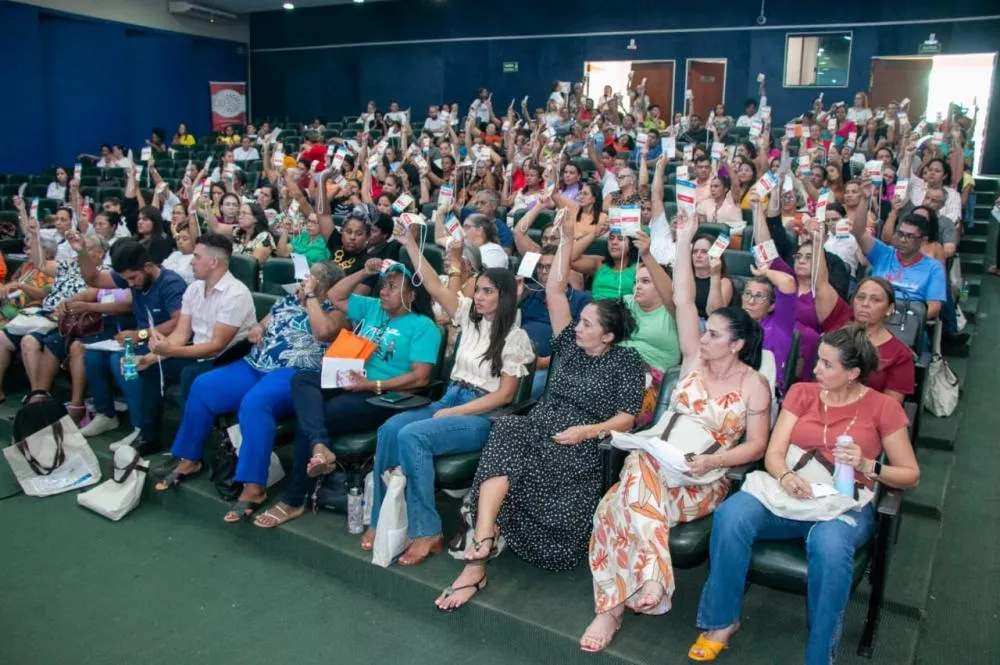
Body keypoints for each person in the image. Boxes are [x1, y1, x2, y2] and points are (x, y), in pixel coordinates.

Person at [580, 212, 771, 653]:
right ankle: (645, 584)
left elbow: (757, 445)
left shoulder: (753, 385)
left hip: (703, 477)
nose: (704, 338)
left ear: (738, 344)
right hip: (659, 461)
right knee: (632, 478)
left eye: (715, 335)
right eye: (706, 333)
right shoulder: (692, 361)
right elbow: (684, 301)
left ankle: (612, 610)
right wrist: (683, 241)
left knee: (616, 506)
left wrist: (711, 461)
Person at [435, 214, 645, 611]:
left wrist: (588, 430)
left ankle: (485, 539)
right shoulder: (568, 344)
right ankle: (479, 550)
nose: (577, 328)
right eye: (579, 323)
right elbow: (556, 291)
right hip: (544, 423)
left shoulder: (626, 363)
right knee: (511, 430)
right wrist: (565, 240)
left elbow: (627, 418)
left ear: (609, 335)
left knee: (551, 539)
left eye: (586, 325)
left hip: (583, 441)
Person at [688, 325, 919, 664]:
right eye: (818, 361)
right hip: (792, 492)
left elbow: (910, 475)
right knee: (731, 515)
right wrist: (784, 476)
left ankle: (819, 655)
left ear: (853, 373)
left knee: (829, 546)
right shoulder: (801, 393)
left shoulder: (882, 408)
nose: (815, 369)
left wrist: (870, 465)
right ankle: (722, 621)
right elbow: (774, 453)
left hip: (844, 503)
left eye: (827, 365)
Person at [362, 224, 533, 567]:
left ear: (504, 296)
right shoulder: (469, 318)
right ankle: (381, 519)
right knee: (390, 430)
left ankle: (428, 531)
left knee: (413, 436)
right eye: (479, 290)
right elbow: (433, 284)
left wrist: (457, 413)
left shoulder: (515, 339)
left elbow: (504, 397)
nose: (479, 296)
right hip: (451, 398)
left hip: (481, 414)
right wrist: (410, 242)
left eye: (487, 291)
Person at [253, 258, 442, 529]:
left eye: (392, 287)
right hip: (350, 377)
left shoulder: (423, 327)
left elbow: (420, 377)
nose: (384, 292)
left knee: (322, 414)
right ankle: (320, 447)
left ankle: (294, 499)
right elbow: (334, 295)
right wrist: (365, 270)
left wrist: (370, 386)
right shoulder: (373, 307)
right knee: (302, 379)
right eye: (383, 286)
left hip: (384, 395)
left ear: (411, 295)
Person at [155, 262, 345, 520]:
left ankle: (254, 485)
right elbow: (264, 322)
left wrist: (312, 296)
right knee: (203, 386)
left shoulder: (336, 310)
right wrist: (259, 328)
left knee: (256, 402)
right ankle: (189, 457)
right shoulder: (290, 299)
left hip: (293, 374)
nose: (304, 282)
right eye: (306, 278)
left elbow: (323, 332)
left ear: (325, 287)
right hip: (255, 364)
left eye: (311, 279)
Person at [87, 233, 255, 453]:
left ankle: (191, 449)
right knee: (151, 368)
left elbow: (217, 345)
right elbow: (180, 335)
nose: (191, 261)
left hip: (229, 359)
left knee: (190, 375)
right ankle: (149, 438)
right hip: (197, 353)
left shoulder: (236, 294)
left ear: (213, 262)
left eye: (196, 256)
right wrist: (150, 357)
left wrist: (170, 349)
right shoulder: (194, 289)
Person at [75, 239, 189, 449]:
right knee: (92, 356)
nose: (129, 284)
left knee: (123, 361)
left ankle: (140, 428)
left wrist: (140, 334)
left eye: (132, 278)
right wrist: (82, 251)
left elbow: (178, 322)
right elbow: (93, 278)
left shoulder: (171, 283)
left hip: (166, 345)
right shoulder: (133, 275)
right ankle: (106, 414)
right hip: (141, 341)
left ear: (146, 267)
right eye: (125, 279)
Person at [18, 235, 124, 422]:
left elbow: (93, 292)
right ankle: (39, 396)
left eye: (88, 248)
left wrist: (72, 304)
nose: (81, 252)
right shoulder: (70, 265)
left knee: (75, 346)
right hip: (60, 317)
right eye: (81, 249)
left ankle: (77, 405)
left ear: (100, 254)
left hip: (95, 321)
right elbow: (40, 264)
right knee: (48, 341)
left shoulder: (107, 272)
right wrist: (33, 232)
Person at [518, 246, 590, 399]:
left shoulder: (581, 300)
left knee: (527, 390)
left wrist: (543, 362)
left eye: (549, 267)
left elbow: (580, 346)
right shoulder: (529, 294)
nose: (543, 271)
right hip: (515, 360)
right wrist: (517, 299)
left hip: (549, 366)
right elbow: (509, 328)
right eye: (540, 267)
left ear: (563, 270)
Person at [572, 225, 637, 301]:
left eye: (620, 238)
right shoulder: (599, 263)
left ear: (631, 244)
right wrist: (593, 234)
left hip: (621, 311)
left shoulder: (638, 267)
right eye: (611, 238)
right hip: (595, 309)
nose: (614, 242)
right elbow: (569, 259)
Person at [209, 201, 275, 264]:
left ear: (255, 218)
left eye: (244, 213)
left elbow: (251, 265)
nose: (240, 217)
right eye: (239, 213)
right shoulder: (238, 231)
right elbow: (215, 227)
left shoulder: (265, 237)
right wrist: (206, 205)